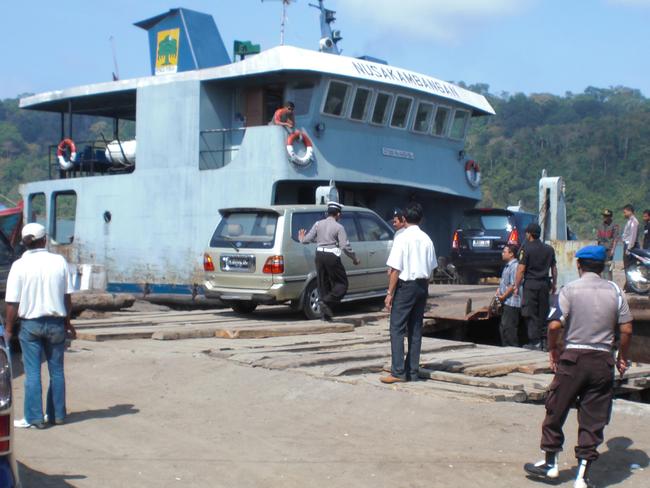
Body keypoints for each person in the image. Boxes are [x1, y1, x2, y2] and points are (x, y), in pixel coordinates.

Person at [524, 245, 633, 488]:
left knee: (556, 408)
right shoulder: (616, 291)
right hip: (602, 361)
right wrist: (621, 357)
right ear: (603, 267)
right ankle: (582, 476)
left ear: (579, 265)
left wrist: (554, 348)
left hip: (573, 359)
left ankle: (551, 464)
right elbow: (626, 329)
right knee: (593, 418)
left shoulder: (569, 290)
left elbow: (554, 326)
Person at [4, 223, 76, 429]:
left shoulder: (19, 265)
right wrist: (67, 322)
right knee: (57, 371)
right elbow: (67, 298)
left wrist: (9, 329)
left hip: (30, 325)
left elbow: (12, 303)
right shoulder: (59, 261)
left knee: (33, 373)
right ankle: (58, 415)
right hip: (55, 323)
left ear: (25, 243)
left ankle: (34, 418)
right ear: (44, 240)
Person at [380, 202, 436, 384]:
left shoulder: (402, 238)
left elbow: (395, 269)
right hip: (422, 285)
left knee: (396, 328)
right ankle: (412, 371)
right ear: (422, 219)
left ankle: (398, 371)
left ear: (404, 219)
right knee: (415, 329)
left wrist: (390, 293)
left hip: (406, 286)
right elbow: (431, 270)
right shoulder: (427, 239)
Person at [299, 202, 360, 321]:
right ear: (338, 214)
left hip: (319, 255)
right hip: (332, 256)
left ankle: (325, 315)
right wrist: (355, 258)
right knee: (342, 285)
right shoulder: (339, 227)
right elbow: (345, 246)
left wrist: (301, 238)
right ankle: (325, 301)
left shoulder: (318, 224)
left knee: (323, 284)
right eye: (339, 215)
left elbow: (306, 240)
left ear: (327, 213)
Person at [514, 223, 557, 350]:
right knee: (543, 312)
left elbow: (521, 269)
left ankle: (535, 342)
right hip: (544, 284)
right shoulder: (549, 249)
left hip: (531, 284)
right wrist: (554, 283)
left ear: (529, 234)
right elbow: (554, 268)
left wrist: (516, 285)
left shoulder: (526, 249)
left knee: (530, 313)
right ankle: (545, 342)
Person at [496, 244, 522, 347]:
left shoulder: (515, 266)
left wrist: (503, 296)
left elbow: (513, 284)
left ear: (511, 254)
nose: (502, 254)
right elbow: (504, 283)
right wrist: (498, 291)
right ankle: (506, 349)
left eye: (504, 252)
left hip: (512, 302)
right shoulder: (507, 266)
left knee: (509, 328)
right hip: (506, 301)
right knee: (503, 328)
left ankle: (513, 350)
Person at [595, 208, 619, 281]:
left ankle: (609, 282)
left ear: (610, 216)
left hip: (609, 249)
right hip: (601, 248)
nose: (605, 217)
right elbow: (598, 238)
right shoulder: (600, 225)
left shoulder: (614, 225)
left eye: (606, 216)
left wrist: (613, 250)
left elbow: (615, 239)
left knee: (608, 267)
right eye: (604, 216)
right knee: (601, 266)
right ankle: (602, 281)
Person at [621, 204, 639, 291]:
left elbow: (633, 237)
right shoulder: (629, 221)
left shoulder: (634, 222)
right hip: (627, 245)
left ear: (630, 211)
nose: (624, 214)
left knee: (630, 266)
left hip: (630, 246)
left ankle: (631, 286)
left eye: (625, 212)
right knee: (627, 266)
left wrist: (629, 249)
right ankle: (629, 285)